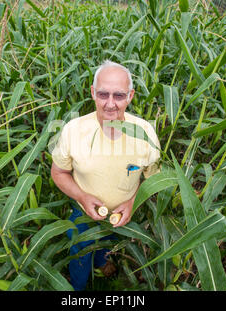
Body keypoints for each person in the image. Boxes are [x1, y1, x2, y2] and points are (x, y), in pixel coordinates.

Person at [50, 60, 161, 290]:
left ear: (130, 96)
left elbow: (153, 179)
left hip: (122, 218)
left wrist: (132, 202)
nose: (110, 104)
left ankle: (102, 261)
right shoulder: (73, 130)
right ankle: (78, 288)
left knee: (109, 247)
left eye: (119, 96)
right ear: (92, 93)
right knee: (79, 258)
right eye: (103, 94)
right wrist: (82, 197)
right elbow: (59, 172)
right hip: (82, 215)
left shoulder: (145, 133)